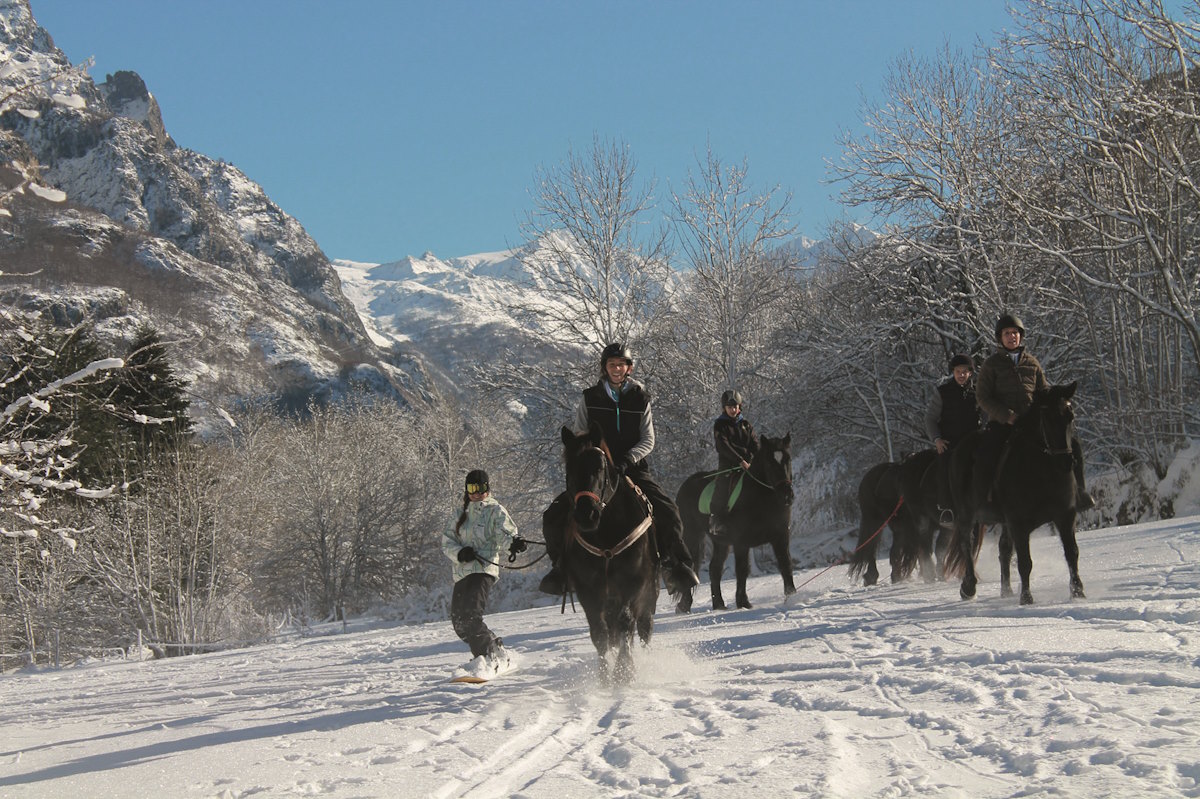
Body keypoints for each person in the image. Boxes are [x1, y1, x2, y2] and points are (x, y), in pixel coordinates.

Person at [539, 343, 701, 596]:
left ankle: (674, 565)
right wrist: (593, 460)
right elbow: (580, 433)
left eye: (621, 365)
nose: (616, 369)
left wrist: (627, 460)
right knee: (553, 516)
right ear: (605, 368)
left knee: (669, 511)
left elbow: (648, 439)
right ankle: (561, 569)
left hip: (631, 469)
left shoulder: (640, 398)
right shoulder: (589, 397)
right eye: (612, 364)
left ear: (629, 368)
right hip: (595, 472)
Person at [972, 314, 1094, 514]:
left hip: (1031, 423)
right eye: (1007, 333)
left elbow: (1043, 391)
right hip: (1003, 423)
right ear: (1000, 338)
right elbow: (982, 397)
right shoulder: (991, 365)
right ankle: (986, 500)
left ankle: (1079, 493)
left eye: (1015, 333)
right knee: (987, 453)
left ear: (1021, 336)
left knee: (1073, 446)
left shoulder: (1032, 363)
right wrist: (1007, 415)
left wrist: (1061, 402)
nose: (1012, 337)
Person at [442, 469, 525, 668]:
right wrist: (460, 553)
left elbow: (504, 533)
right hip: (462, 572)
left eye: (480, 488)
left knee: (471, 615)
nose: (476, 493)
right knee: (459, 623)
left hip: (483, 569)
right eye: (472, 488)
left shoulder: (494, 510)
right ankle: (494, 647)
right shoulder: (459, 514)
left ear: (487, 489)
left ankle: (487, 658)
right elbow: (447, 542)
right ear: (466, 490)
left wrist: (513, 543)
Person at [924, 353, 982, 525]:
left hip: (973, 442)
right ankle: (946, 508)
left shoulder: (978, 392)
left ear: (971, 373)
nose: (961, 375)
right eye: (958, 371)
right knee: (944, 469)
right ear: (953, 372)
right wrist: (937, 439)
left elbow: (986, 414)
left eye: (965, 371)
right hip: (950, 443)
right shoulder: (943, 392)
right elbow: (930, 419)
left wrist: (984, 431)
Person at [711, 389, 760, 533]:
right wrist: (740, 460)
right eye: (730, 407)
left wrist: (752, 459)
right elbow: (723, 446)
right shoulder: (720, 425)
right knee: (722, 487)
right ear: (724, 408)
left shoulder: (746, 425)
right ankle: (717, 520)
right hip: (729, 466)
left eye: (735, 406)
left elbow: (754, 444)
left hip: (748, 465)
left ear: (740, 406)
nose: (733, 410)